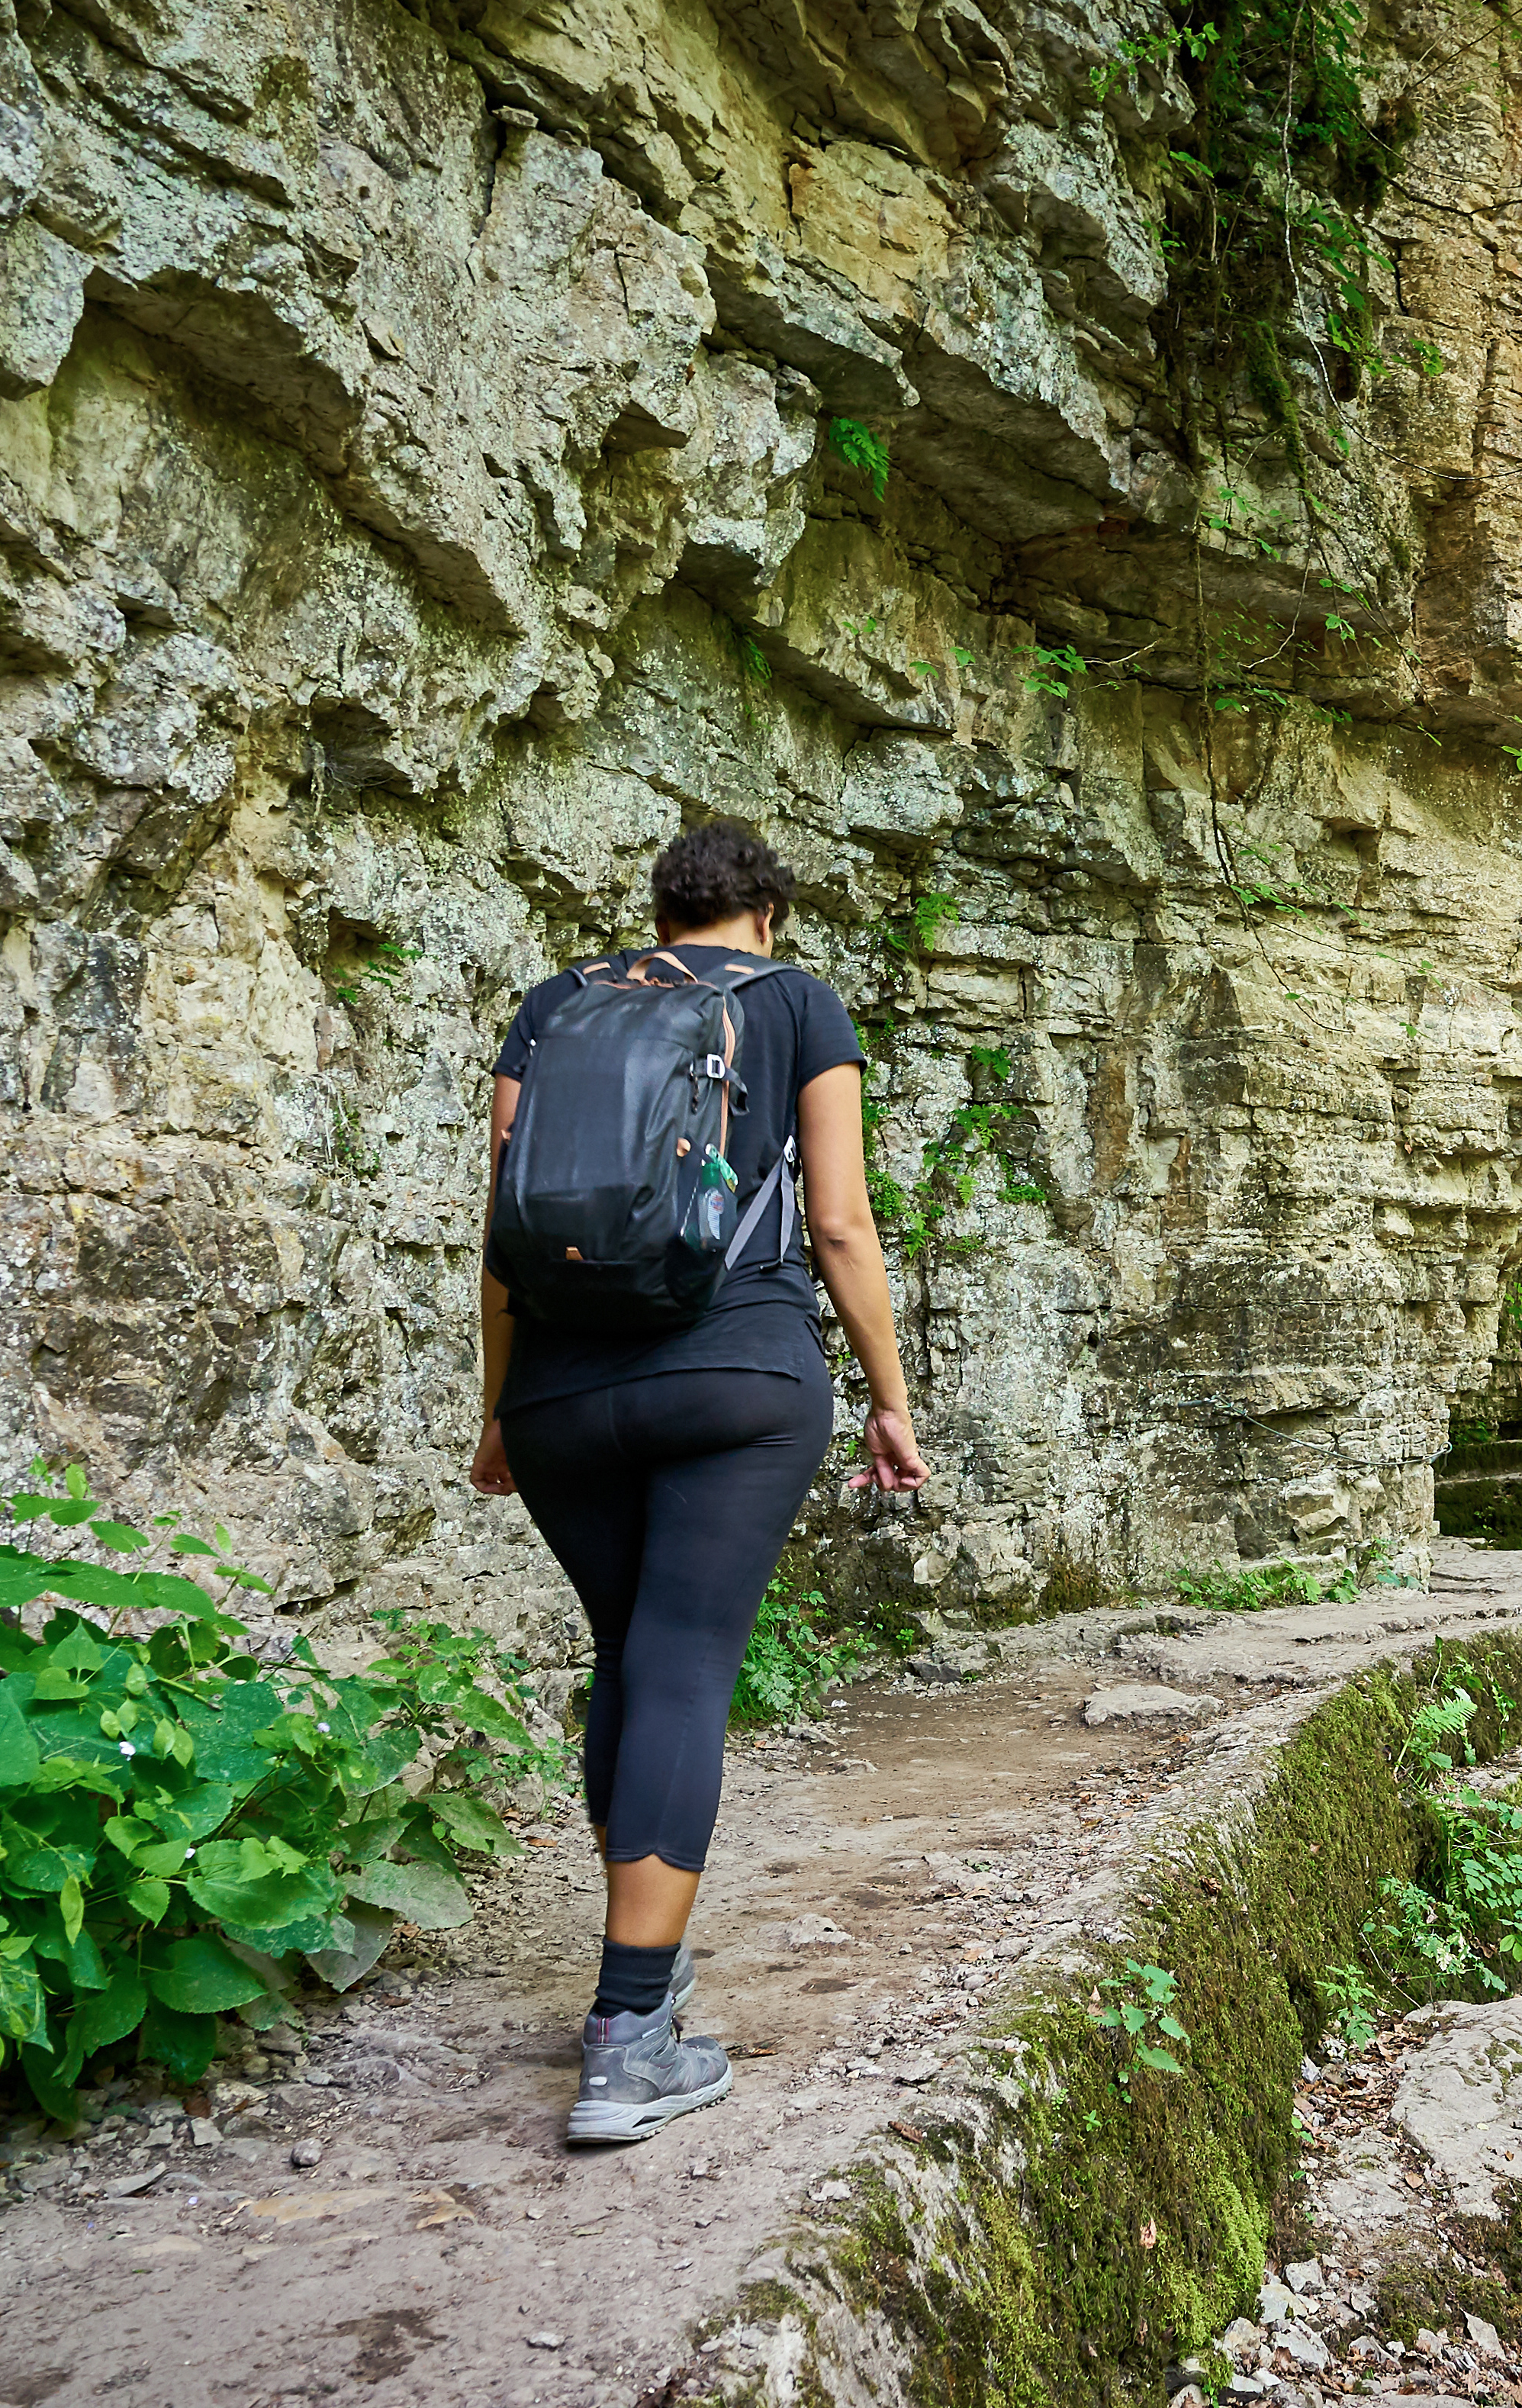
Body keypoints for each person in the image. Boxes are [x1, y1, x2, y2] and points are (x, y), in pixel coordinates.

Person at [468, 818, 928, 2143]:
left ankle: (644, 1986)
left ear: (659, 911)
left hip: (561, 1393)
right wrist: (889, 1402)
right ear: (767, 916)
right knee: (679, 1666)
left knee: (629, 1655)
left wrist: (502, 1404)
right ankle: (625, 2038)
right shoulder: (795, 1002)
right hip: (737, 1382)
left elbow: (504, 1238)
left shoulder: (556, 1006)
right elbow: (837, 1219)